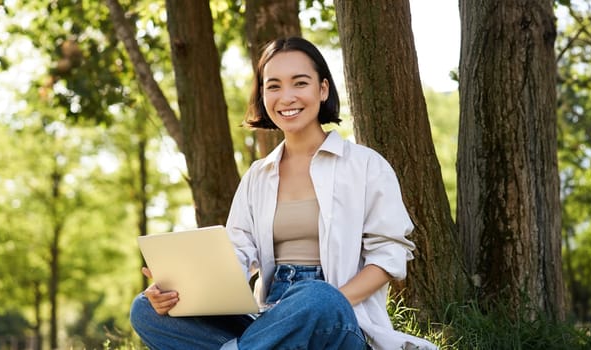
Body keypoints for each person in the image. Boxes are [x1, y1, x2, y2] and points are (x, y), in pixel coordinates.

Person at [129, 37, 437, 350]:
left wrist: (328, 304)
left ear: (323, 90)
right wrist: (183, 285)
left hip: (338, 318)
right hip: (268, 319)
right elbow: (236, 252)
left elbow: (389, 256)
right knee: (145, 310)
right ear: (262, 96)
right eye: (273, 86)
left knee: (316, 295)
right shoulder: (257, 176)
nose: (286, 97)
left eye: (300, 83)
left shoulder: (365, 165)